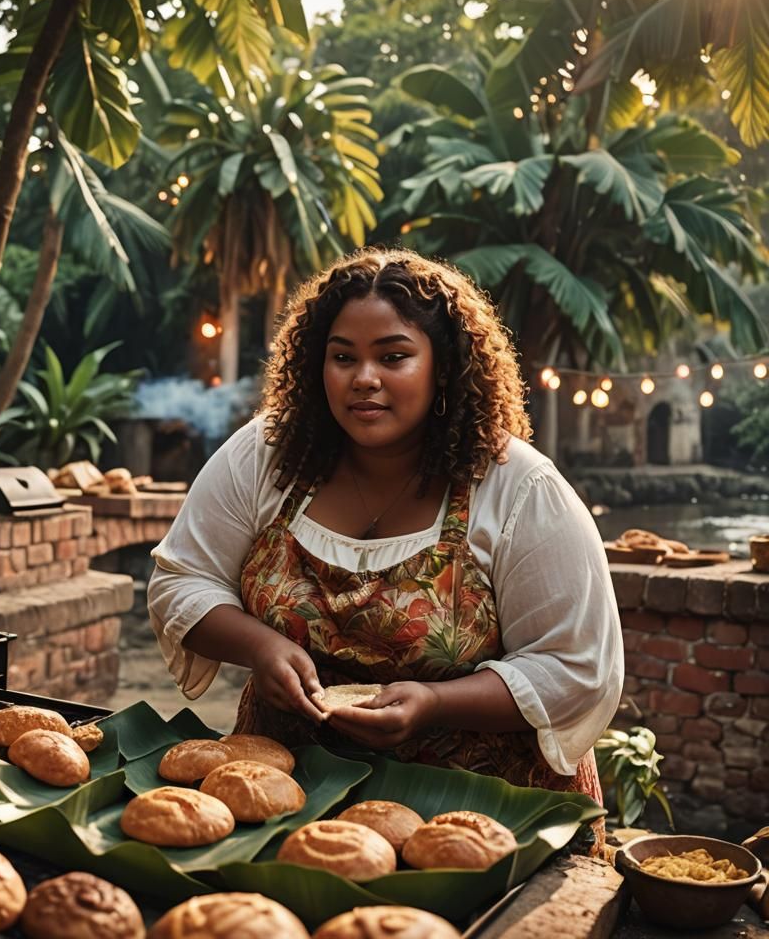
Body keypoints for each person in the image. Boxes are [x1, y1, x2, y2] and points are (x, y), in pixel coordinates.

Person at [148, 249, 623, 818]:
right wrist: (261, 645)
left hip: (478, 819)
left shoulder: (517, 487)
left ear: (443, 367)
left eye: (393, 357)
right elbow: (182, 580)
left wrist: (433, 703)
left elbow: (577, 666)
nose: (364, 379)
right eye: (342, 357)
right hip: (289, 801)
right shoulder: (269, 455)